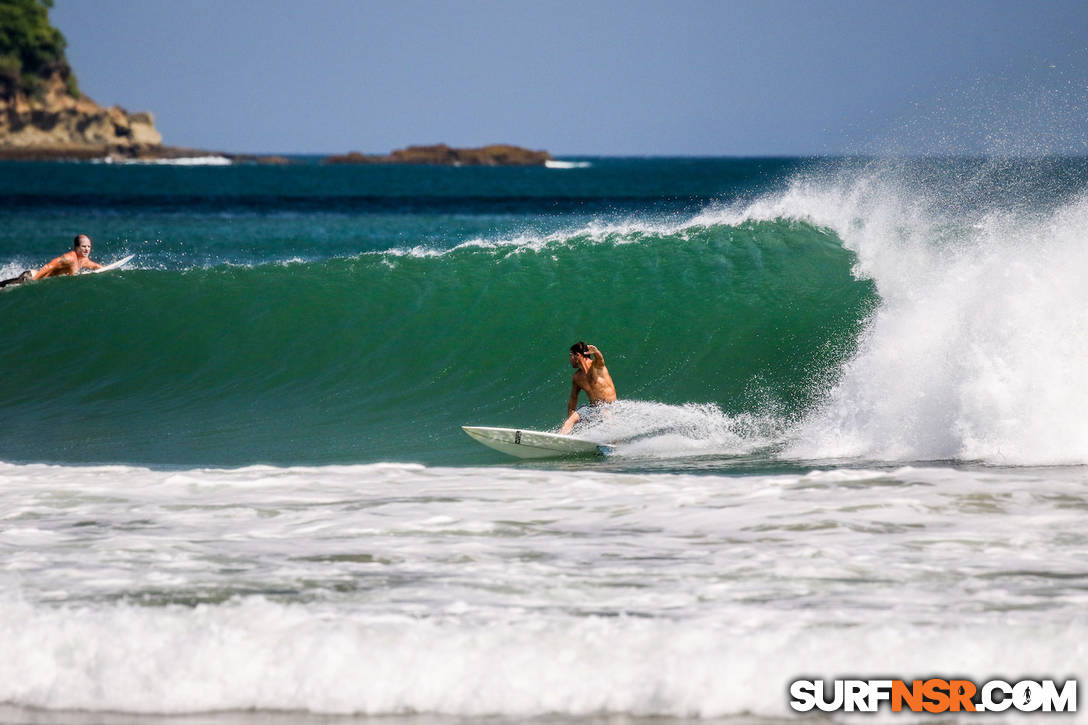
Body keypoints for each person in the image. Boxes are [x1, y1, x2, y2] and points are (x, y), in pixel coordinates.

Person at [560, 341, 618, 434]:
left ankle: (614, 444)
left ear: (577, 355)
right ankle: (560, 441)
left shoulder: (596, 366)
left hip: (610, 407)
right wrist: (570, 417)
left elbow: (600, 359)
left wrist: (596, 352)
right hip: (593, 409)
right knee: (570, 420)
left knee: (606, 413)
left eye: (571, 355)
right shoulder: (577, 377)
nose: (570, 359)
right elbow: (573, 398)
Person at [32, 235, 102, 279]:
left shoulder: (83, 260)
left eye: (89, 247)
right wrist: (34, 280)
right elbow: (49, 266)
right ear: (76, 247)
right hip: (31, 276)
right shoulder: (69, 258)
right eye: (83, 246)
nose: (87, 249)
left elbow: (94, 265)